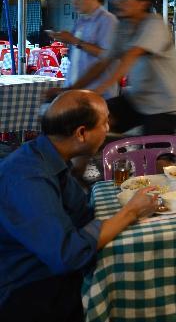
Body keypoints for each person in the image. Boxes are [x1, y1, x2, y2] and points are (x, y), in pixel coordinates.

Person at [0, 91, 158, 321]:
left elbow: (83, 214)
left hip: (53, 273)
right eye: (104, 122)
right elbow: (68, 254)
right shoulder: (28, 179)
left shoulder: (48, 158)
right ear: (81, 133)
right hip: (32, 289)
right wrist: (130, 211)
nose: (108, 128)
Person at [66, 0, 176, 136]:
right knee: (92, 127)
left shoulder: (154, 25)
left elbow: (131, 55)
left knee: (154, 157)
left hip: (164, 106)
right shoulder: (123, 27)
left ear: (143, 3)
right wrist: (71, 89)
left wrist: (98, 90)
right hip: (137, 99)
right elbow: (104, 62)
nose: (118, 2)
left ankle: (162, 160)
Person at [49, 0, 118, 99]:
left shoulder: (108, 20)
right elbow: (77, 56)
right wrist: (66, 40)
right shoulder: (81, 20)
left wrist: (73, 40)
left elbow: (106, 56)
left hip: (98, 94)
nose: (74, 2)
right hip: (76, 91)